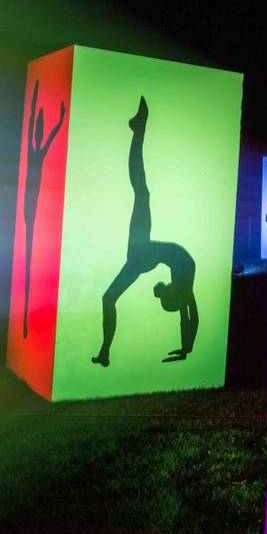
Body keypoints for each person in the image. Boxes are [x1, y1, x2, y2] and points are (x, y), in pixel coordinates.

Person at [92, 96, 198, 367]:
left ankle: (139, 131)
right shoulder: (184, 284)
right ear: (172, 294)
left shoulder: (183, 284)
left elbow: (188, 316)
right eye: (164, 295)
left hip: (143, 254)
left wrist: (187, 346)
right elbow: (189, 317)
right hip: (143, 255)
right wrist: (187, 347)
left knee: (141, 192)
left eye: (162, 295)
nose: (161, 291)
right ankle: (105, 353)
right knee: (141, 191)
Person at [21, 80, 64, 338]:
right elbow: (30, 122)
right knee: (27, 252)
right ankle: (25, 321)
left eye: (40, 129)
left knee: (29, 253)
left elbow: (53, 132)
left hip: (33, 208)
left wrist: (60, 118)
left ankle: (27, 321)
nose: (38, 132)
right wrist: (35, 97)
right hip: (28, 207)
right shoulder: (32, 149)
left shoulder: (40, 150)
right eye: (38, 128)